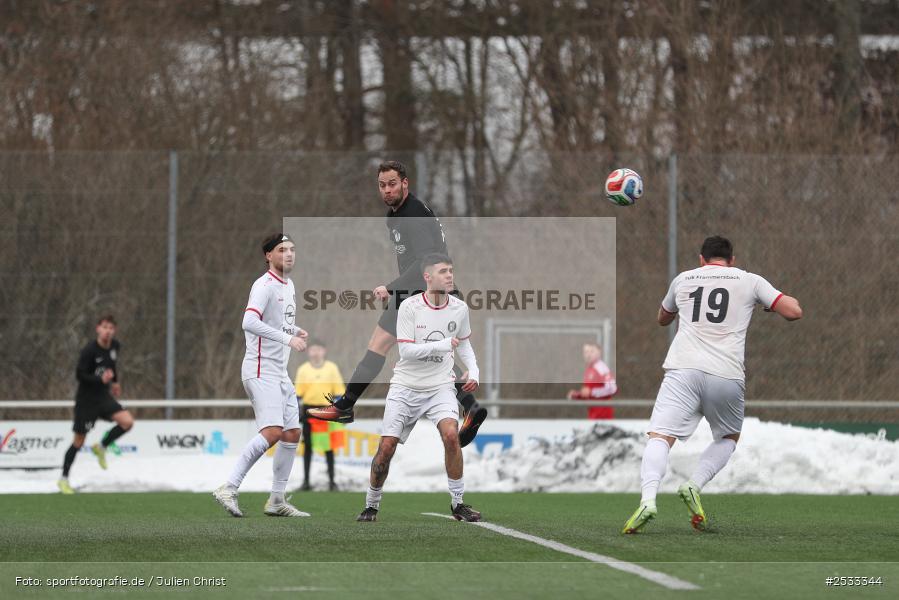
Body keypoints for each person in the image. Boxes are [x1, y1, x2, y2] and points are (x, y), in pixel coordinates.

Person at [622, 236, 802, 534]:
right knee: (728, 437)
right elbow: (794, 311)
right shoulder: (750, 280)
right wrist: (767, 304)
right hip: (726, 373)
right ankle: (694, 485)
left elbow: (662, 319)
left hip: (683, 370)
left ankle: (648, 500)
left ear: (701, 259)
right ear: (731, 259)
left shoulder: (684, 279)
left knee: (661, 436)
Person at [309, 161, 486, 448]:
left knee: (379, 345)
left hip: (422, 292)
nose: (387, 190)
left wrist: (391, 287)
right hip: (423, 290)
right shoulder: (397, 215)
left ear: (405, 183)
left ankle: (345, 405)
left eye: (393, 183)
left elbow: (426, 261)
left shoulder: (412, 214)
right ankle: (471, 407)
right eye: (382, 185)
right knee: (426, 355)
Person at [356, 253, 481, 523]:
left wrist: (475, 371)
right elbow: (407, 351)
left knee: (451, 435)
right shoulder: (409, 307)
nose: (449, 275)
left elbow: (466, 344)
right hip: (406, 387)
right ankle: (371, 503)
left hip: (441, 386)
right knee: (387, 447)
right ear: (427, 277)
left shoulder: (459, 308)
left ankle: (458, 504)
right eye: (443, 271)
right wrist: (443, 345)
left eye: (451, 270)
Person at [213, 233, 310, 518]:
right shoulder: (264, 285)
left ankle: (276, 501)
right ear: (268, 255)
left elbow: (277, 322)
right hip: (259, 369)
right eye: (282, 250)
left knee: (292, 432)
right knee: (272, 432)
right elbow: (249, 321)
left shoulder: (288, 285)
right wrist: (286, 338)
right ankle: (228, 487)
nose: (289, 254)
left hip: (279, 372)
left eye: (292, 249)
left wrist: (294, 330)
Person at [57, 315, 134, 494]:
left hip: (103, 397)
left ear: (114, 330)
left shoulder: (115, 346)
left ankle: (102, 447)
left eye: (111, 328)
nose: (108, 331)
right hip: (86, 401)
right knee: (78, 441)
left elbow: (112, 366)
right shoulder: (89, 351)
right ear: (98, 329)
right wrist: (99, 378)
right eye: (104, 327)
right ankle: (63, 479)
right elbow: (80, 375)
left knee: (127, 422)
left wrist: (115, 382)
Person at [294, 339, 346, 491]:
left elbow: (338, 392)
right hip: (309, 411)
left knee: (329, 447)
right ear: (309, 352)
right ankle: (306, 482)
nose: (316, 353)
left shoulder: (331, 368)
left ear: (324, 351)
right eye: (313, 349)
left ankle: (332, 482)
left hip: (327, 412)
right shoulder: (303, 370)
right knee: (308, 447)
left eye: (319, 349)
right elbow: (297, 395)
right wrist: (297, 413)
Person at [567, 342, 618, 419]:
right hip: (593, 414)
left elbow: (612, 389)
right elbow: (589, 393)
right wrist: (578, 395)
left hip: (603, 415)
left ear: (599, 352)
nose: (588, 354)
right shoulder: (589, 370)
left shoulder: (601, 368)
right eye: (586, 352)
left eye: (592, 351)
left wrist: (591, 392)